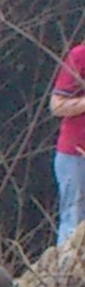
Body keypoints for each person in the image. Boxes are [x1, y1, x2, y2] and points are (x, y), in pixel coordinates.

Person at [53, 41, 85, 245]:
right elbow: (57, 105)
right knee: (74, 219)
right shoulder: (80, 55)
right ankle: (66, 273)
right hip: (76, 153)